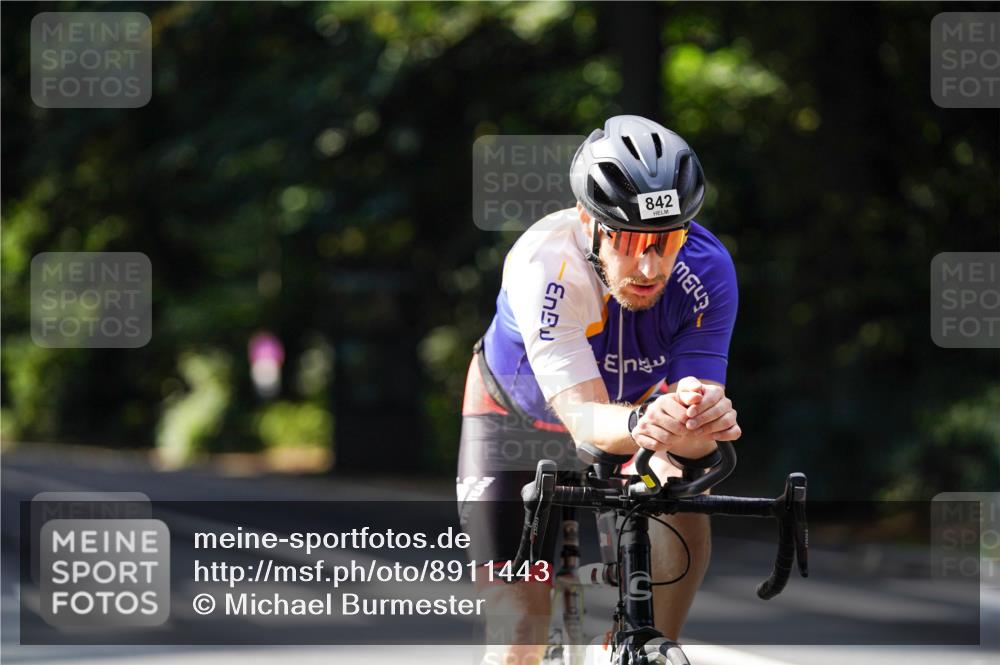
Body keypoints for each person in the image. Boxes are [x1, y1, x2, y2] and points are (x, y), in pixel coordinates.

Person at [457, 115, 742, 664]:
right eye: (630, 239)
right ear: (589, 222)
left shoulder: (707, 270)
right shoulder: (546, 263)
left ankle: (644, 647)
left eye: (668, 239)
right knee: (519, 633)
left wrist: (701, 415)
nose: (648, 265)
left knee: (684, 499)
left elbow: (690, 418)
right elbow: (588, 422)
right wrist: (646, 423)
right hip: (515, 420)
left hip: (633, 418)